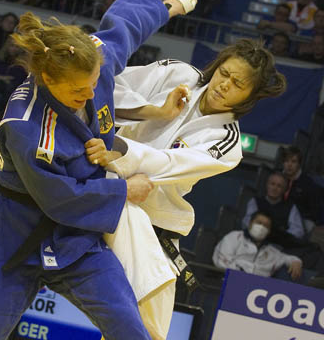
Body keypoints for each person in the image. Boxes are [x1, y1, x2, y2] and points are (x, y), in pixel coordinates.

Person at [0, 0, 197, 340]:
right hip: (14, 234)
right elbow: (60, 199)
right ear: (47, 78)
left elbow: (124, 24)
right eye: (79, 91)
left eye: (94, 82)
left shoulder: (90, 58)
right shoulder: (26, 127)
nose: (91, 92)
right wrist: (124, 190)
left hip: (76, 241)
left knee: (129, 326)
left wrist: (172, 4)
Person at [84, 38, 287, 339]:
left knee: (150, 311)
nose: (224, 84)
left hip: (151, 219)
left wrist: (119, 148)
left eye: (237, 83)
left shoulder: (226, 142)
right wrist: (154, 111)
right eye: (224, 73)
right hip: (100, 178)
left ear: (249, 97)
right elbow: (109, 87)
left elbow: (168, 163)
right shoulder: (178, 74)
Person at [213, 211, 304, 281]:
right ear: (250, 224)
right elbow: (221, 263)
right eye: (259, 223)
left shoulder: (271, 251)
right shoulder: (234, 237)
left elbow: (287, 258)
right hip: (226, 284)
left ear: (269, 231)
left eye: (266, 226)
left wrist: (296, 261)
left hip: (255, 293)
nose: (261, 227)